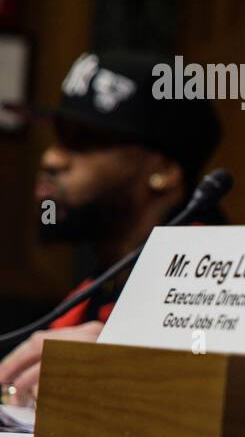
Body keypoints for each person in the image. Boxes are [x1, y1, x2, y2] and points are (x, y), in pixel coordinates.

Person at [0, 51, 223, 404]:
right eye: (57, 137)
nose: (52, 158)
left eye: (84, 139)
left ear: (162, 170)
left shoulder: (218, 282)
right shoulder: (100, 284)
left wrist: (133, 372)